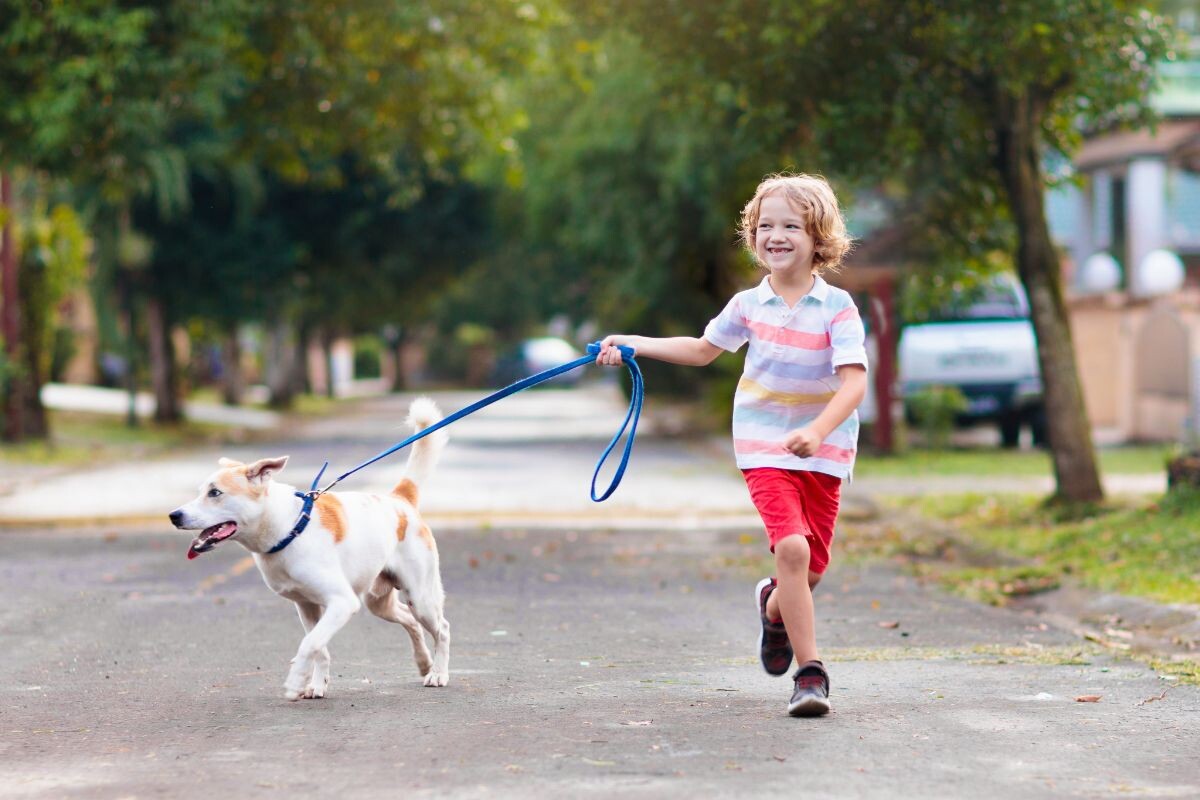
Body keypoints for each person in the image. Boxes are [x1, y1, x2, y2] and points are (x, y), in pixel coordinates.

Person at [596, 173, 868, 717]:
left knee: (810, 570)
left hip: (825, 449)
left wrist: (816, 431)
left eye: (791, 225)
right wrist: (633, 344)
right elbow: (702, 349)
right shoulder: (749, 304)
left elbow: (855, 381)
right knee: (791, 549)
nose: (776, 235)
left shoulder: (837, 306)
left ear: (818, 237)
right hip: (763, 443)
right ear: (753, 235)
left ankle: (774, 608)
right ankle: (810, 675)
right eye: (766, 225)